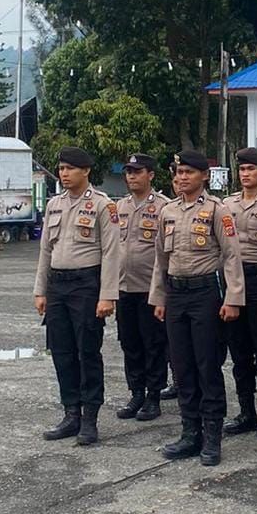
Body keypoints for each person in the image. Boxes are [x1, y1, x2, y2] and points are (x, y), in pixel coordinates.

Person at [149, 152, 245, 465]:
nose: (182, 178)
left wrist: (233, 298)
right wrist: (159, 297)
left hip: (205, 294)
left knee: (207, 365)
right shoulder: (167, 211)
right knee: (182, 366)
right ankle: (190, 433)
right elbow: (160, 260)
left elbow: (231, 257)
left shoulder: (218, 210)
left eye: (189, 172)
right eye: (178, 172)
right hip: (175, 295)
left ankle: (212, 436)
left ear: (204, 176)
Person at [33, 147, 120, 446]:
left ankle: (90, 418)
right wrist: (40, 290)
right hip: (57, 285)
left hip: (86, 284)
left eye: (70, 168)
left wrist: (107, 295)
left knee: (87, 352)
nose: (64, 173)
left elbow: (111, 252)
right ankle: (71, 413)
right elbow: (45, 249)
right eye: (61, 168)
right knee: (62, 351)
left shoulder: (102, 205)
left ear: (86, 171)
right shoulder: (54, 204)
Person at [221, 147, 257, 439]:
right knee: (239, 350)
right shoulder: (227, 204)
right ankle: (246, 411)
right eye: (242, 170)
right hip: (234, 282)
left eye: (251, 170)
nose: (245, 175)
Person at [114, 153, 170, 423]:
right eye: (128, 172)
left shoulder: (164, 207)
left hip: (150, 288)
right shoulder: (120, 207)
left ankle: (153, 396)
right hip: (124, 287)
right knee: (129, 343)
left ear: (151, 175)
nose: (131, 176)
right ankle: (136, 392)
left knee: (154, 344)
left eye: (137, 171)